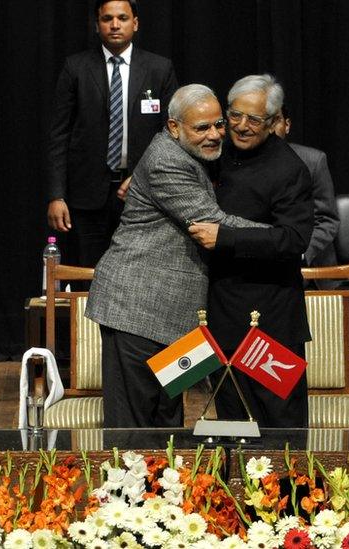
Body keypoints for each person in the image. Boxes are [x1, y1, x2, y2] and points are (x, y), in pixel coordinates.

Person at [85, 84, 267, 428]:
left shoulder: (191, 154)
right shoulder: (166, 161)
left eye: (218, 125)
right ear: (173, 127)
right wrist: (280, 238)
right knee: (134, 431)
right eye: (202, 128)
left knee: (168, 424)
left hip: (178, 317)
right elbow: (214, 224)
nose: (214, 135)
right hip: (137, 310)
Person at [188, 74, 314, 427]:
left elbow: (294, 240)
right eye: (235, 116)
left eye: (254, 119)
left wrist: (226, 238)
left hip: (270, 322)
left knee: (280, 423)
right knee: (231, 420)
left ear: (274, 122)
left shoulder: (290, 169)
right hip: (222, 314)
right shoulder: (216, 152)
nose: (241, 127)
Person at [46, 0, 178, 267]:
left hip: (140, 193)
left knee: (138, 273)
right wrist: (56, 195)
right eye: (107, 19)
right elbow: (59, 135)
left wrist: (142, 175)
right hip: (86, 196)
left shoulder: (159, 69)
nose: (115, 25)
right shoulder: (76, 68)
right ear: (97, 25)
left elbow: (172, 134)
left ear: (136, 23)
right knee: (88, 274)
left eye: (122, 18)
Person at [271, 107, 339, 267]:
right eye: (264, 120)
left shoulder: (313, 161)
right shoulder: (241, 164)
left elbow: (327, 219)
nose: (270, 128)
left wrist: (300, 252)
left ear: (287, 125)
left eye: (275, 120)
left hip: (310, 265)